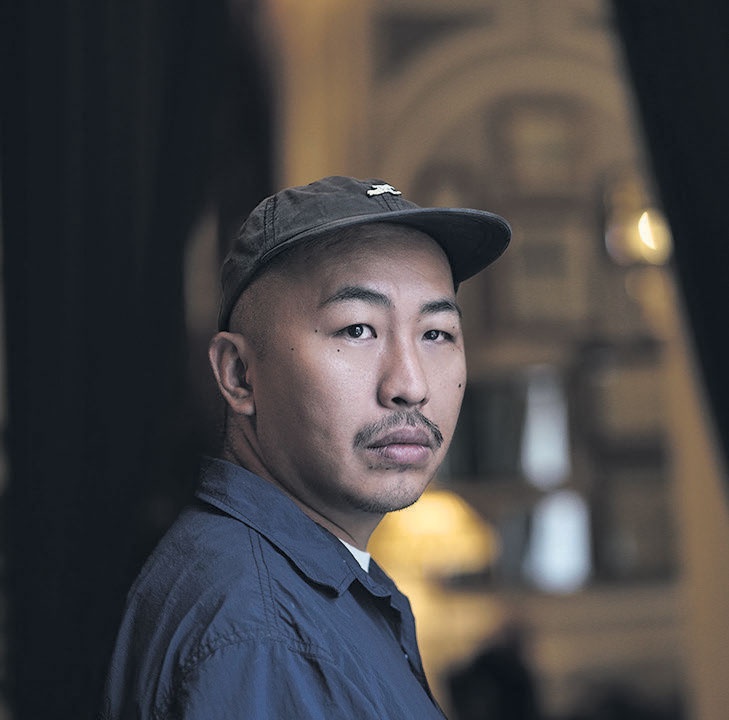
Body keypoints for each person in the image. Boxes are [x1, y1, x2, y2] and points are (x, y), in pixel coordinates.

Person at [100, 175, 510, 719]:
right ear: (239, 374)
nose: (411, 385)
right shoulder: (263, 632)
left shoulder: (301, 585)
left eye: (436, 333)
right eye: (357, 329)